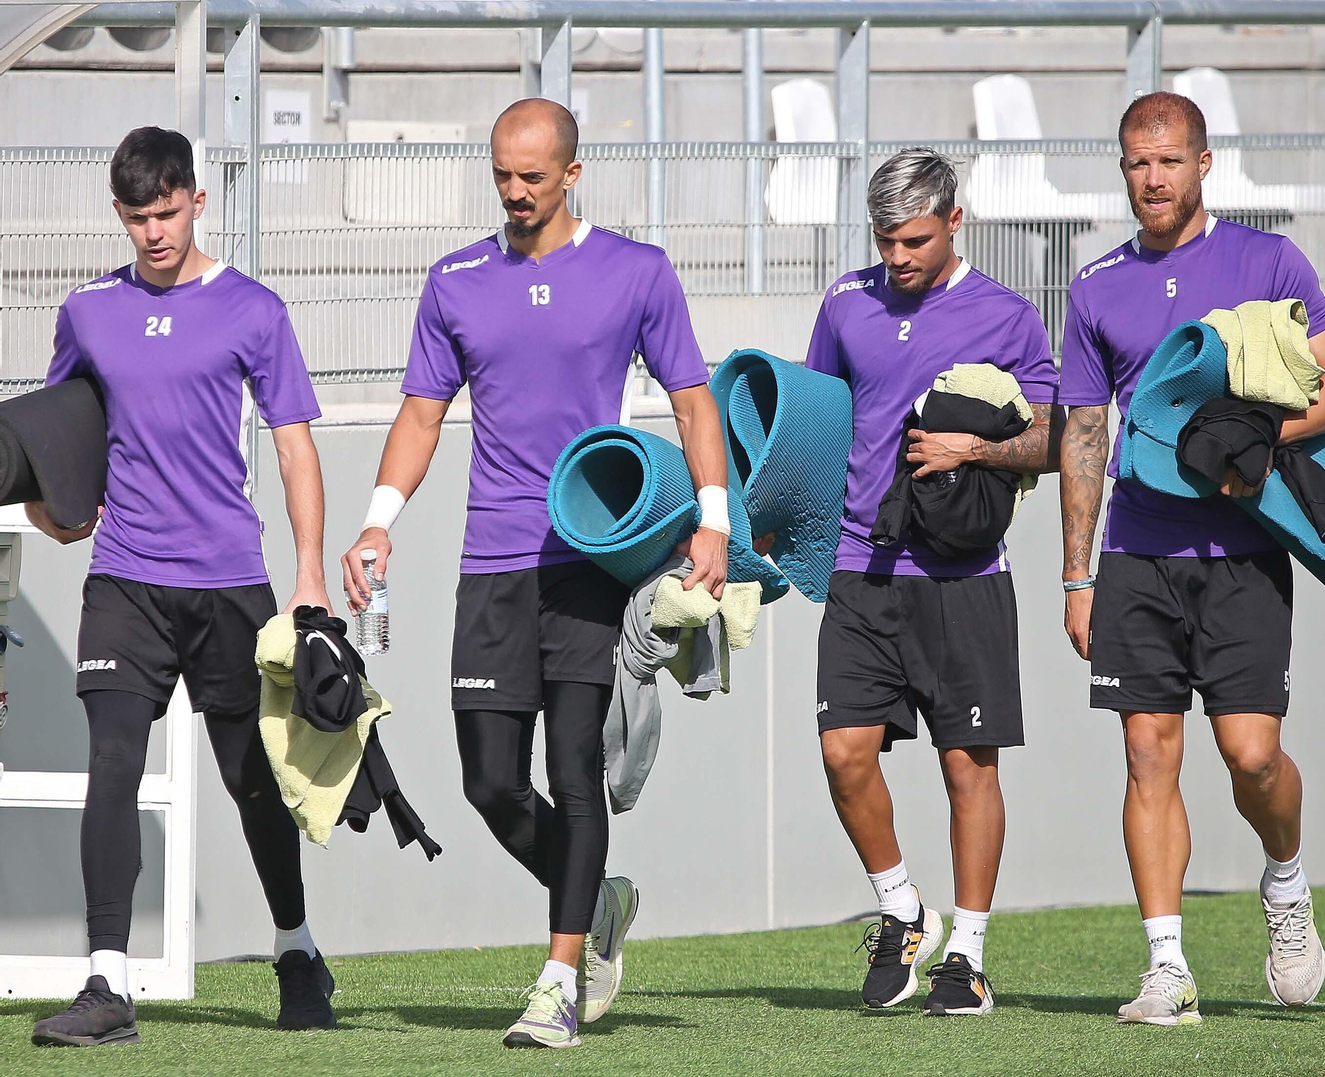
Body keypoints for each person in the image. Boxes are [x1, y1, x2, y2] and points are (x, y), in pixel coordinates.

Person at [340, 98, 729, 1051]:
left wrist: (715, 522)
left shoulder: (637, 271)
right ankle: (597, 897)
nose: (515, 194)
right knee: (489, 784)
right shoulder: (456, 280)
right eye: (502, 177)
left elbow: (690, 400)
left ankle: (558, 980)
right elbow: (423, 414)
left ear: (572, 172)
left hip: (594, 561)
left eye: (533, 177)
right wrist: (378, 522)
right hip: (495, 564)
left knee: (574, 772)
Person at [1056, 92, 1325, 1025]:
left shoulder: (1267, 259)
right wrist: (1078, 575)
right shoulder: (1093, 285)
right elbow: (1082, 432)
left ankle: (1286, 879)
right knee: (1148, 752)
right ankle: (1167, 968)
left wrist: (1256, 446)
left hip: (1243, 556)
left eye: (1169, 161)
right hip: (1135, 554)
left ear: (1202, 164)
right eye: (1136, 163)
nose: (1152, 179)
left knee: (1252, 753)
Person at [29, 127, 334, 1047]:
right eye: (135, 216)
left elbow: (292, 443)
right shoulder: (86, 311)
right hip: (124, 575)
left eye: (166, 212)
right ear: (116, 214)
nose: (153, 231)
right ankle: (107, 982)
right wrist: (53, 511)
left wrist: (310, 568)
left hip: (230, 582)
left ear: (199, 202)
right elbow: (56, 434)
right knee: (114, 759)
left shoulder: (252, 307)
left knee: (251, 780)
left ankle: (295, 948)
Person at [801, 147, 1059, 1017]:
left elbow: (1056, 441)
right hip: (857, 563)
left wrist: (976, 448)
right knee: (845, 753)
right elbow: (817, 424)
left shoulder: (1009, 317)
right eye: (885, 240)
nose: (898, 256)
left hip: (964, 572)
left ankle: (969, 957)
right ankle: (901, 909)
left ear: (956, 221)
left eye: (914, 238)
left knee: (966, 764)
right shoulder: (844, 302)